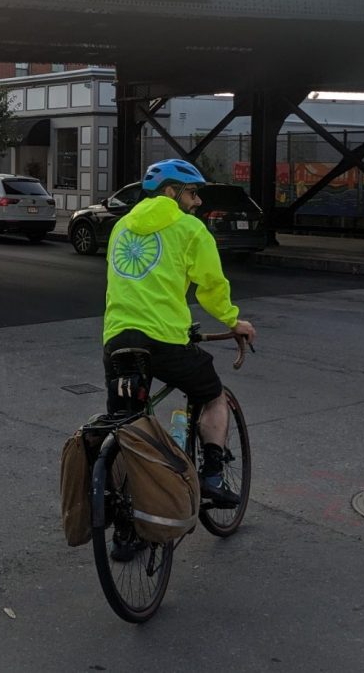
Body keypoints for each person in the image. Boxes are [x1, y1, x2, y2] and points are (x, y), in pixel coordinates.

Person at [103, 158, 256, 514]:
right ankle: (213, 476)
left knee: (127, 424)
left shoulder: (121, 227)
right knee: (213, 395)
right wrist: (233, 322)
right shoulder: (189, 230)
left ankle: (123, 520)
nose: (197, 201)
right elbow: (212, 287)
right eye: (192, 192)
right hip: (165, 340)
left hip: (117, 339)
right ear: (170, 192)